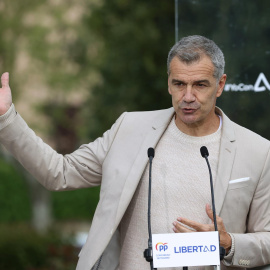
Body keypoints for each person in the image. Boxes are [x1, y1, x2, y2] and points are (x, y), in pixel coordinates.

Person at [0, 35, 270, 270]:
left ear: (220, 85)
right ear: (168, 83)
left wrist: (229, 243)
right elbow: (58, 173)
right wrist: (6, 118)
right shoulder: (130, 128)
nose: (188, 96)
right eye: (179, 84)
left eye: (200, 85)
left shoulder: (257, 151)